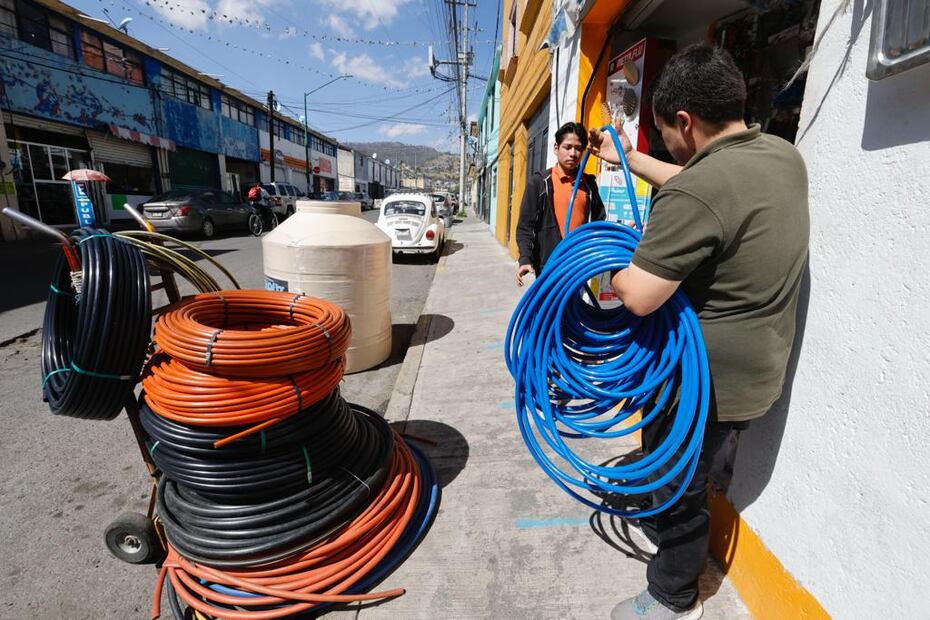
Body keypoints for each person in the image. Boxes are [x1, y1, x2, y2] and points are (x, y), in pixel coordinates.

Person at [588, 44, 809, 620]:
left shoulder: (697, 193)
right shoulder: (782, 157)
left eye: (666, 134)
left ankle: (672, 595)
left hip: (703, 380)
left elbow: (637, 295)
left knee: (677, 479)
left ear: (685, 121)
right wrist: (630, 159)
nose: (667, 146)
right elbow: (706, 185)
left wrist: (599, 253)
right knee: (681, 469)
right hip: (760, 368)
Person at [515, 122, 606, 286]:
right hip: (548, 266)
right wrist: (525, 259)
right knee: (547, 309)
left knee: (572, 309)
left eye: (578, 148)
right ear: (556, 148)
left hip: (577, 265)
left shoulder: (589, 185)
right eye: (567, 147)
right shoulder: (539, 183)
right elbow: (525, 227)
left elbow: (599, 222)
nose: (573, 153)